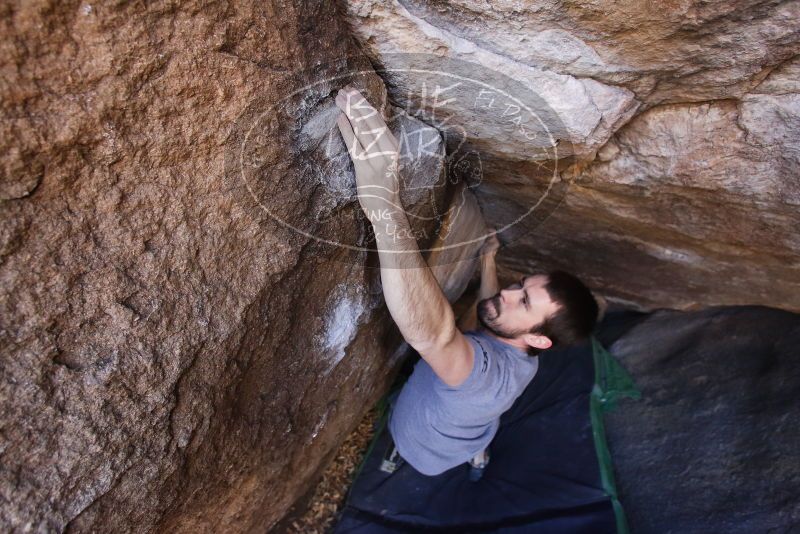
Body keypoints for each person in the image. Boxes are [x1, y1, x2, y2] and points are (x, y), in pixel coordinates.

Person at [335, 86, 599, 479]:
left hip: (425, 450)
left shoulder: (486, 381)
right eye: (521, 285)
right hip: (467, 425)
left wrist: (383, 203)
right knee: (472, 411)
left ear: (540, 339)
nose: (510, 293)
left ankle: (433, 458)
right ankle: (476, 451)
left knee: (410, 442)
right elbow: (487, 315)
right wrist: (488, 259)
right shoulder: (523, 355)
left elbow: (436, 336)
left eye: (524, 302)